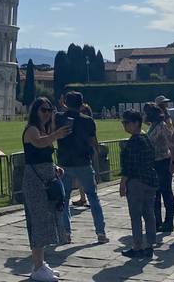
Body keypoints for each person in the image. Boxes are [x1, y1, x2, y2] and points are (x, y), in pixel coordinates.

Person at [22, 97, 72, 282]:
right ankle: (37, 266)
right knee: (38, 222)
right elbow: (39, 144)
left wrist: (55, 167)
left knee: (47, 219)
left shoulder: (44, 129)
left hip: (45, 177)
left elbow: (45, 154)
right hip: (35, 182)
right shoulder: (32, 130)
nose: (47, 113)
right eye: (44, 110)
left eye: (50, 110)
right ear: (35, 111)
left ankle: (41, 263)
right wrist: (55, 135)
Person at [55, 91, 108, 244]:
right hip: (83, 162)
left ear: (66, 102)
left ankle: (66, 232)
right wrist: (96, 152)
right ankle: (100, 232)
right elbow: (93, 141)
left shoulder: (59, 118)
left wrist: (63, 106)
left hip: (65, 162)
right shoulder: (88, 120)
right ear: (82, 104)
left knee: (64, 200)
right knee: (93, 197)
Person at [120, 110, 158, 258]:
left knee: (135, 215)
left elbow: (130, 166)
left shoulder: (134, 141)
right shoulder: (146, 138)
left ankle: (137, 246)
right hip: (150, 180)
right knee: (149, 214)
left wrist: (123, 183)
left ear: (136, 123)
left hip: (137, 182)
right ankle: (149, 245)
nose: (124, 125)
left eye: (126, 122)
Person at [143, 103, 174, 232]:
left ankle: (168, 222)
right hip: (153, 163)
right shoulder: (153, 126)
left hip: (162, 162)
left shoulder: (161, 127)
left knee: (166, 192)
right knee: (155, 194)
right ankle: (157, 221)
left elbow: (171, 144)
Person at [72, 103, 93, 208]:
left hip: (86, 153)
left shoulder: (87, 123)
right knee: (80, 178)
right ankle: (83, 198)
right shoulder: (86, 122)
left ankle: (89, 199)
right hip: (80, 153)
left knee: (87, 178)